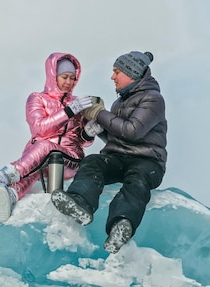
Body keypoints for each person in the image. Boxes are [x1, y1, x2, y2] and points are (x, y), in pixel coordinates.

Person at [51, 51, 167, 254]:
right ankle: (81, 203)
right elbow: (118, 135)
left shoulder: (153, 99)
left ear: (131, 73)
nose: (112, 77)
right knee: (93, 162)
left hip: (147, 161)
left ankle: (121, 225)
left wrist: (99, 114)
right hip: (118, 158)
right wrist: (99, 129)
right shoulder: (119, 102)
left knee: (137, 181)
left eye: (116, 72)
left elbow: (132, 131)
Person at [0, 52, 100, 223]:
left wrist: (88, 133)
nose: (69, 82)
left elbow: (80, 141)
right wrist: (68, 111)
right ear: (53, 75)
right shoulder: (37, 99)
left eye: (72, 78)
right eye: (64, 77)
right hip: (37, 157)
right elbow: (39, 128)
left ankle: (9, 173)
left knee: (46, 149)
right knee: (33, 170)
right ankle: (12, 194)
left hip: (68, 160)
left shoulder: (77, 104)